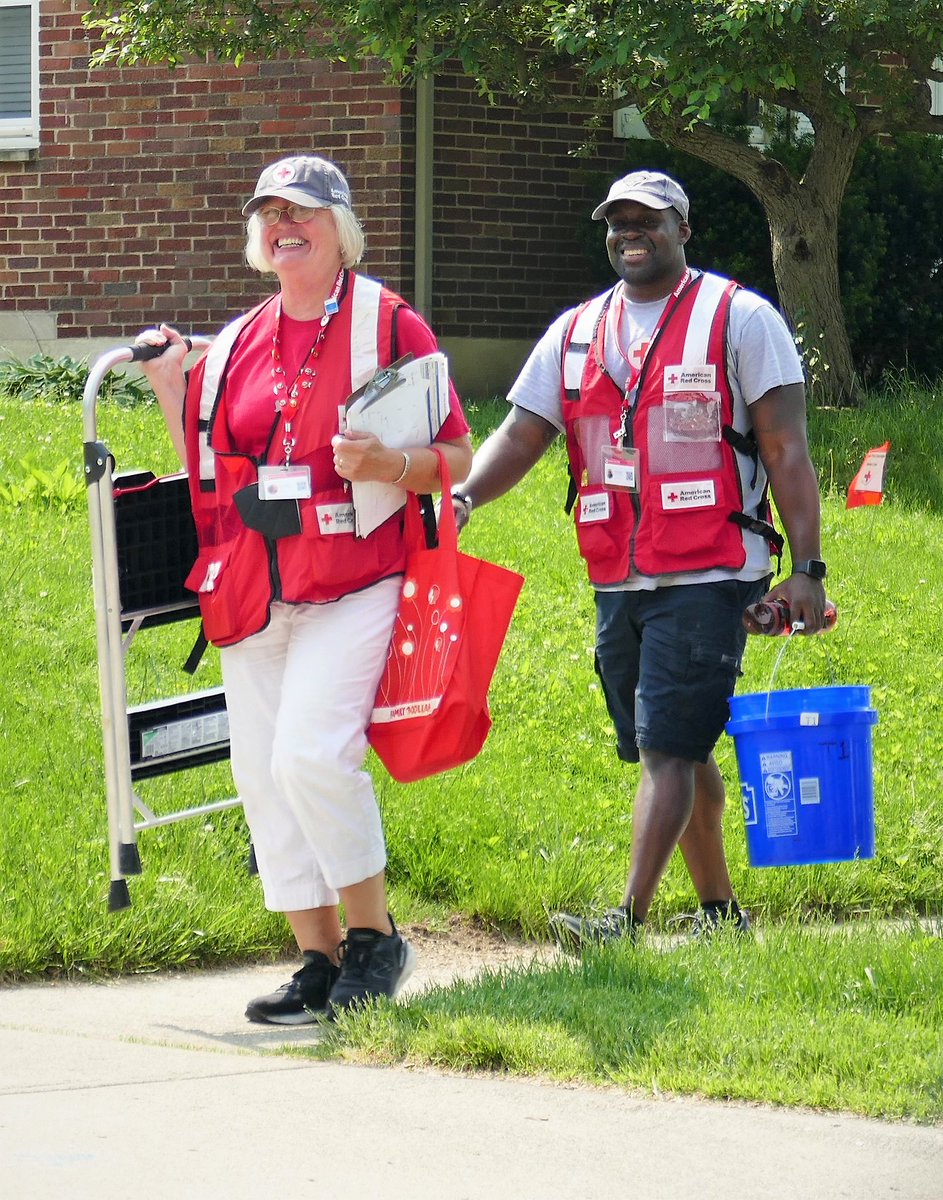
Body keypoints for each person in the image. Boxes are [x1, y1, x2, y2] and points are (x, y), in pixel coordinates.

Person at [449, 169, 826, 945]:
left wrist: (806, 570)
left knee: (667, 746)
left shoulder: (738, 317)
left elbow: (786, 447)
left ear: (682, 230)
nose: (630, 232)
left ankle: (624, 922)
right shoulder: (577, 330)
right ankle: (721, 917)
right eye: (618, 221)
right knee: (676, 746)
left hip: (711, 564)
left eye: (648, 220)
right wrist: (461, 501)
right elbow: (522, 433)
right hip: (617, 571)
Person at [136, 154, 472, 1021]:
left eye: (305, 213)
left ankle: (375, 940)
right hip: (254, 589)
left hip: (356, 580)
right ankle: (316, 960)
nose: (286, 225)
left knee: (311, 757)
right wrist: (173, 387)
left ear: (340, 229)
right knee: (261, 774)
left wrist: (390, 462)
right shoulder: (240, 338)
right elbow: (207, 469)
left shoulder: (389, 325)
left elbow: (457, 460)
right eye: (270, 214)